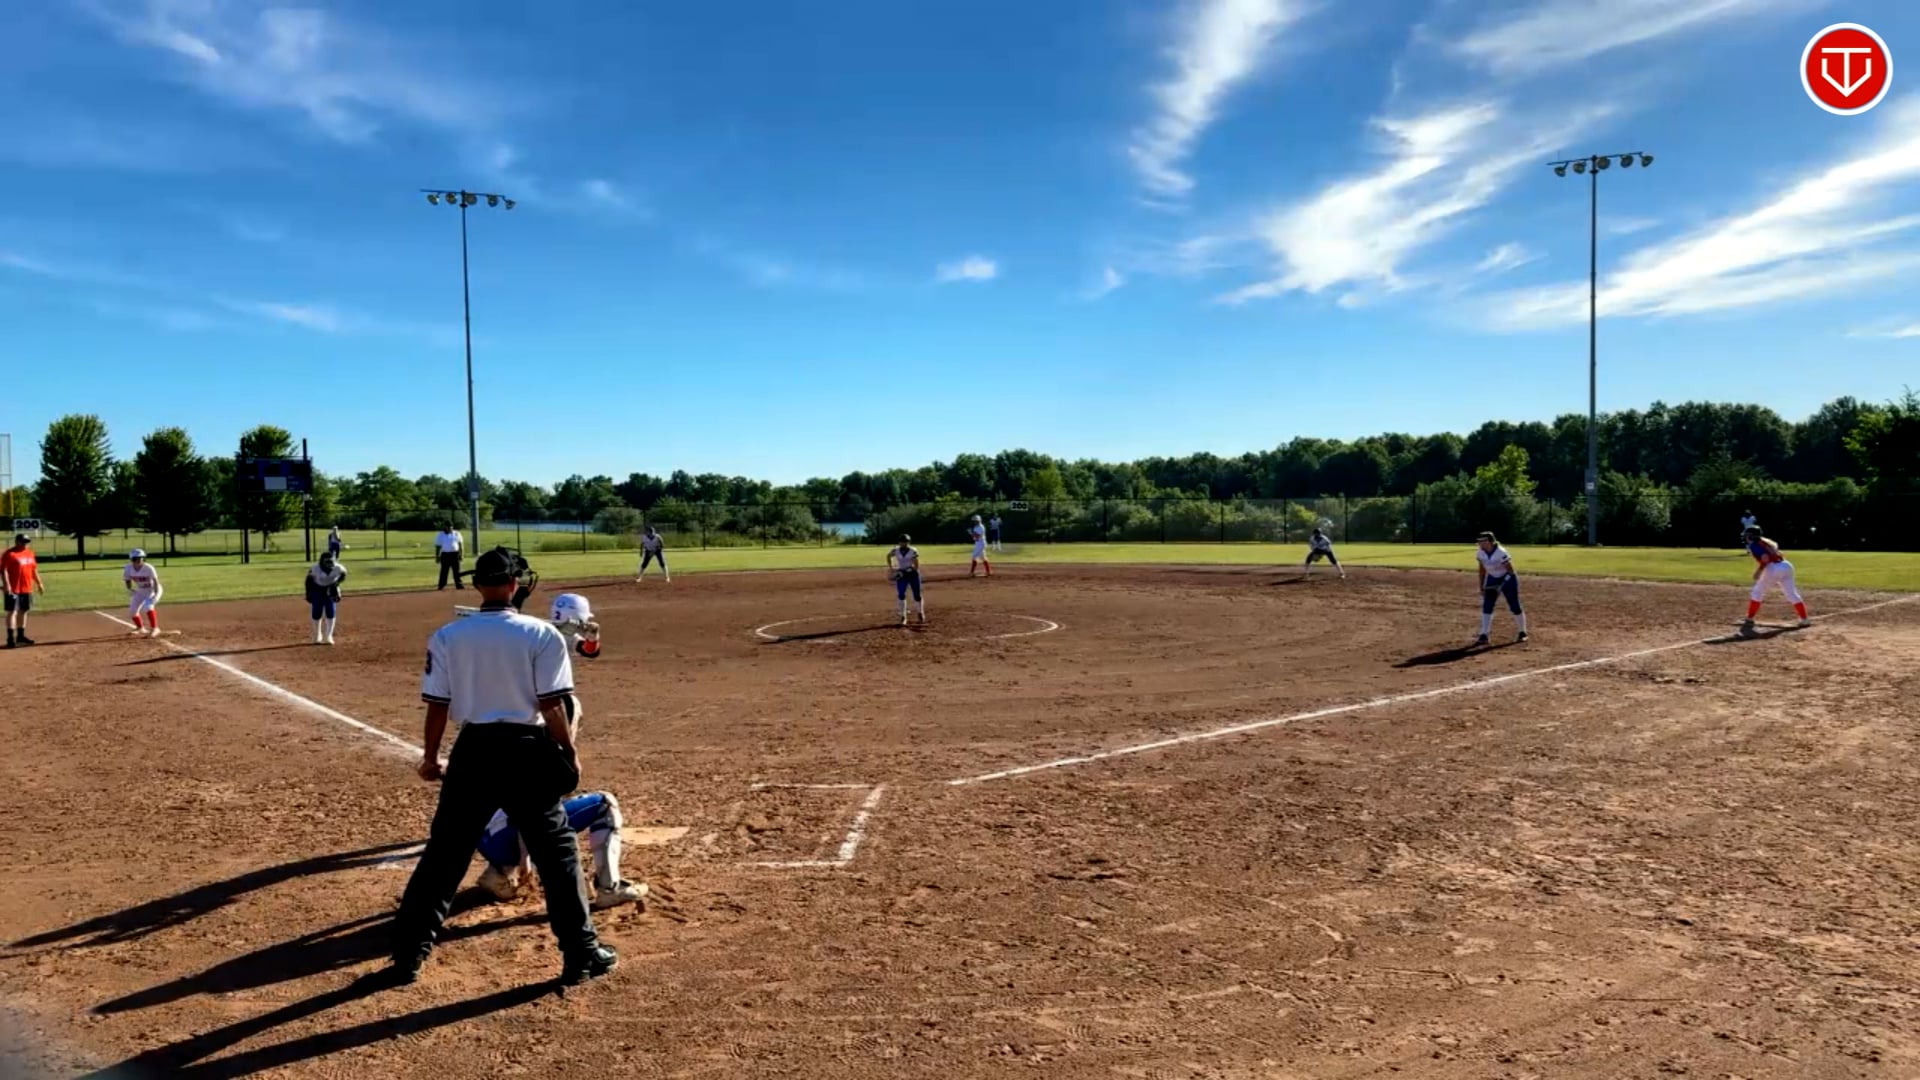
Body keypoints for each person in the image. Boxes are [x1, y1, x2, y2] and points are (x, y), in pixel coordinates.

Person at [389, 546, 617, 987]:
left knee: (444, 856)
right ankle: (580, 954)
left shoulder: (448, 635)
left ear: (477, 585)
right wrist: (568, 752)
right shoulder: (542, 634)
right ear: (516, 585)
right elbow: (551, 705)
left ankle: (407, 956)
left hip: (473, 750)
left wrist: (431, 757)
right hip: (527, 750)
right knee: (557, 854)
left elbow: (437, 706)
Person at [474, 790, 646, 910]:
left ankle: (499, 872)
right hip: (512, 839)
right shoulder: (543, 749)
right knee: (605, 803)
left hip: (486, 840)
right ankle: (610, 889)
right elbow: (527, 809)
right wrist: (525, 859)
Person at [1739, 526, 1810, 636]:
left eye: (1747, 535)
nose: (1746, 537)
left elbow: (1765, 558)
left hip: (1773, 568)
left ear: (1751, 536)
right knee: (1791, 593)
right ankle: (1804, 619)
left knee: (1757, 592)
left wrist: (1758, 572)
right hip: (1786, 565)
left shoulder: (1754, 545)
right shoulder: (1766, 542)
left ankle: (1749, 618)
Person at [1473, 531, 1527, 646]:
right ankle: (1483, 634)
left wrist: (1500, 586)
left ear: (1490, 542)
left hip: (1508, 578)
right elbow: (1482, 570)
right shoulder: (1480, 553)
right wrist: (1482, 586)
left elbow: (1511, 571)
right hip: (1492, 578)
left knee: (1514, 604)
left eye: (1483, 541)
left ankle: (1522, 632)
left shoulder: (1500, 552)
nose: (1480, 543)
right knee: (1487, 605)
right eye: (1479, 541)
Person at [2, 534, 45, 649]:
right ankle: (10, 639)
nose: (25, 544)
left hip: (26, 588)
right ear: (17, 542)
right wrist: (7, 584)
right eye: (23, 542)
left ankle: (20, 636)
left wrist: (39, 583)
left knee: (24, 611)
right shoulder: (9, 554)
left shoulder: (30, 553)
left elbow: (33, 570)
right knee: (12, 612)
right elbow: (4, 570)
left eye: (27, 542)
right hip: (13, 588)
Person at [306, 552, 347, 645]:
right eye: (327, 562)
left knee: (330, 610)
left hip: (330, 589)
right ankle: (317, 635)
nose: (329, 564)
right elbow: (308, 580)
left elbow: (343, 575)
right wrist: (308, 593)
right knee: (316, 611)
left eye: (331, 562)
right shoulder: (315, 569)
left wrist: (336, 585)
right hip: (317, 589)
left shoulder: (338, 568)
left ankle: (329, 636)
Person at [123, 549, 163, 637]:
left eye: (141, 558)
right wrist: (129, 589)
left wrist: (156, 593)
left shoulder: (148, 568)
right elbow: (127, 580)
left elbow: (155, 581)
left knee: (147, 606)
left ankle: (155, 628)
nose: (138, 560)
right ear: (131, 559)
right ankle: (140, 628)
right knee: (132, 611)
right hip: (140, 590)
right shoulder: (128, 568)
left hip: (152, 589)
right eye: (136, 558)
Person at [889, 534, 926, 627]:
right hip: (902, 575)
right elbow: (888, 556)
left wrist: (905, 572)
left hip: (913, 574)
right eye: (902, 542)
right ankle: (903, 616)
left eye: (905, 542)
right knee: (901, 594)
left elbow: (916, 566)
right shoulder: (895, 550)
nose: (904, 544)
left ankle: (920, 612)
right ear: (899, 542)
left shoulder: (913, 550)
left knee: (917, 594)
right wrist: (891, 567)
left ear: (908, 542)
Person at [434, 525, 465, 591]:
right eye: (448, 528)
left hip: (455, 554)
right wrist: (437, 556)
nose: (450, 529)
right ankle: (441, 585)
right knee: (444, 571)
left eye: (451, 528)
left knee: (456, 570)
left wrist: (461, 554)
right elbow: (438, 547)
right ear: (445, 527)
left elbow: (460, 544)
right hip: (445, 554)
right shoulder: (440, 535)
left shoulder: (456, 533)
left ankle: (459, 584)